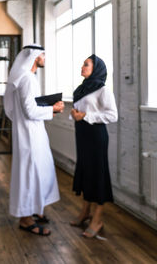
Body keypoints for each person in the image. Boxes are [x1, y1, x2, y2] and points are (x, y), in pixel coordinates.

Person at [3, 44, 64, 236]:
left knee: (37, 173)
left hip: (31, 134)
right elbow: (30, 110)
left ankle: (34, 209)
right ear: (35, 56)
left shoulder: (26, 78)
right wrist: (53, 109)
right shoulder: (27, 79)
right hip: (29, 136)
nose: (45, 57)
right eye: (43, 54)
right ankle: (25, 219)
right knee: (29, 176)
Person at [70, 54, 118, 238]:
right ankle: (85, 212)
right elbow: (79, 111)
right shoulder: (82, 89)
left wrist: (87, 116)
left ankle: (97, 219)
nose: (82, 67)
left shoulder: (103, 89)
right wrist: (75, 115)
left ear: (96, 68)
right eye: (82, 64)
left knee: (97, 173)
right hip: (82, 134)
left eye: (86, 65)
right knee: (85, 171)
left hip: (96, 136)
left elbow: (112, 115)